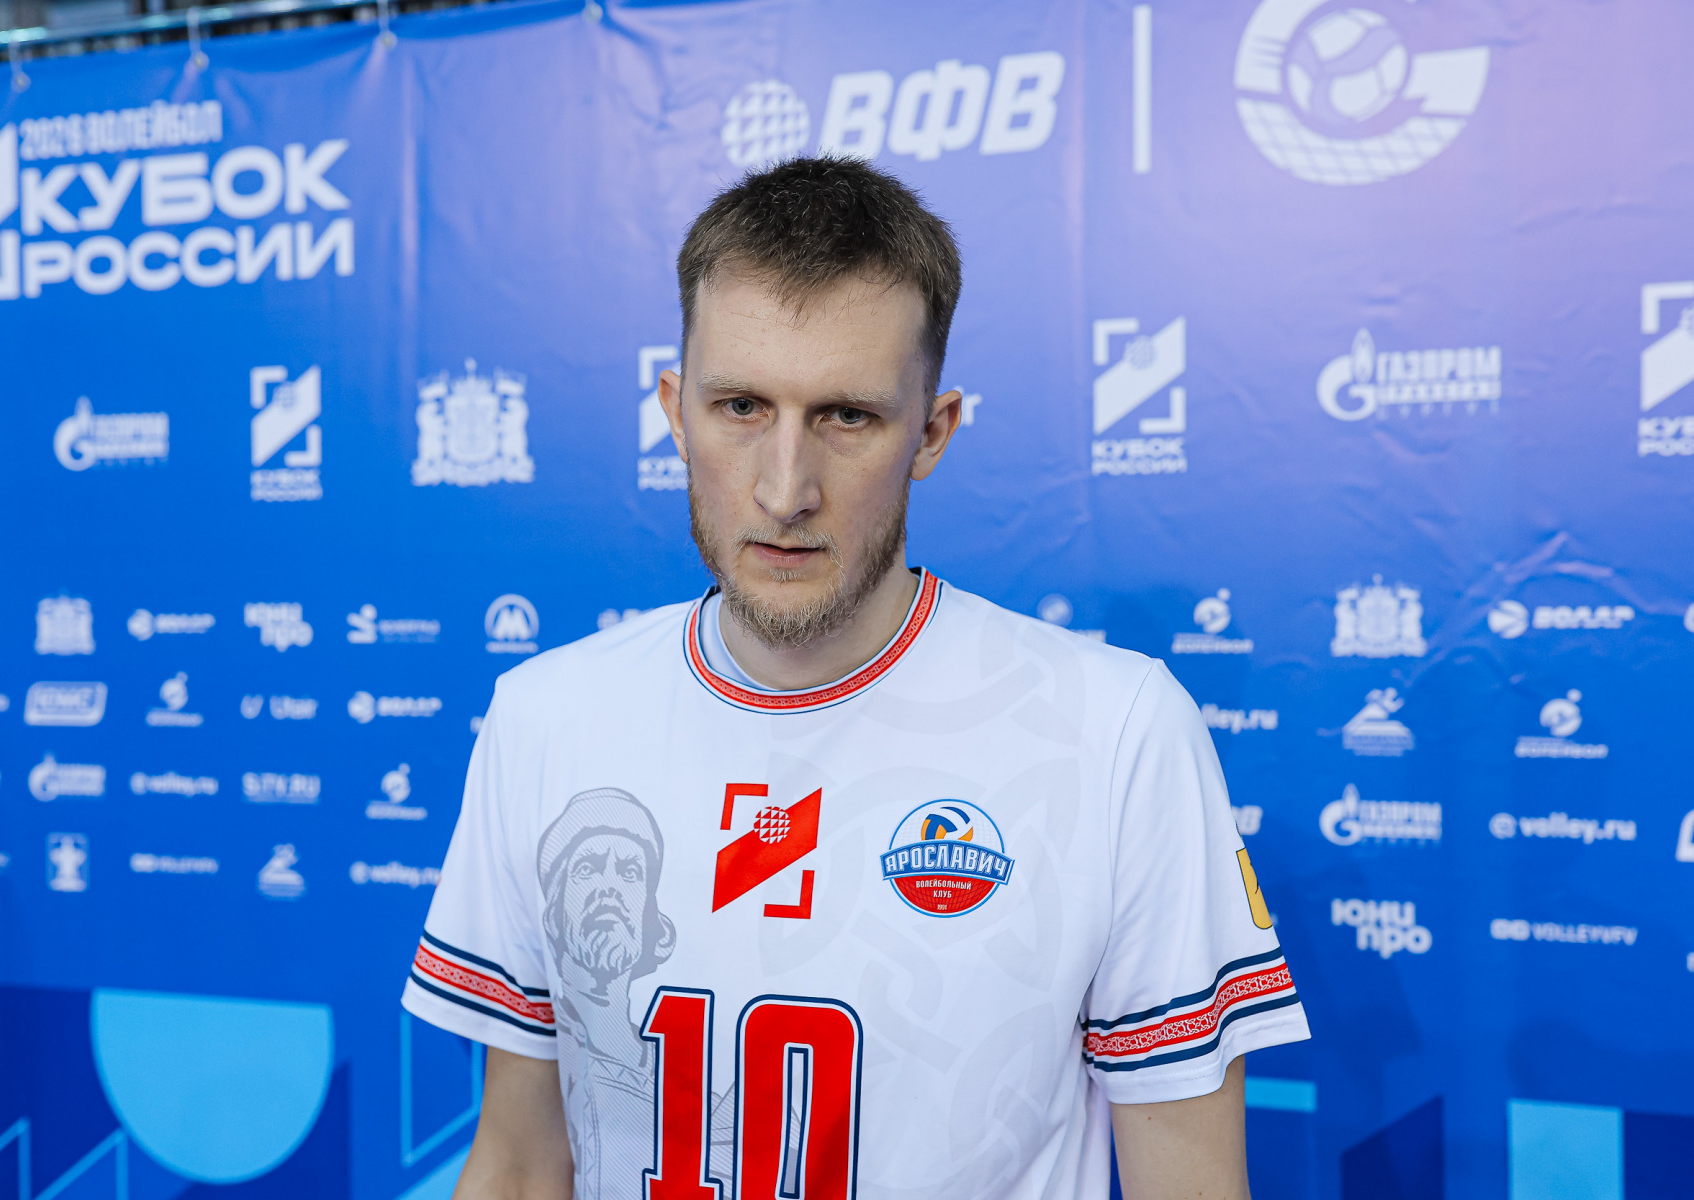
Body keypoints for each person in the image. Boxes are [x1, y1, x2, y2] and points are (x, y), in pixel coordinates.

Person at [403, 155, 1309, 1200]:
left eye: (846, 417)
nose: (785, 489)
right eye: (741, 406)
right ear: (674, 410)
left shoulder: (1115, 731)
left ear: (932, 431)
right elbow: (519, 1166)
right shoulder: (548, 716)